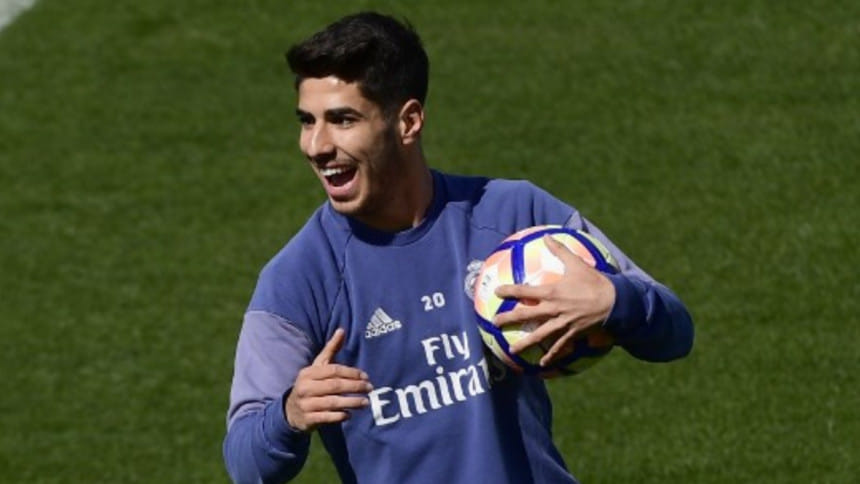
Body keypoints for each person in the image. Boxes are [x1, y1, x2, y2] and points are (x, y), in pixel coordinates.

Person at [223, 11, 693, 484]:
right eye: (307, 121)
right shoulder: (300, 277)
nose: (316, 145)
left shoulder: (516, 215)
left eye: (342, 120)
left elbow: (676, 333)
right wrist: (289, 414)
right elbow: (245, 463)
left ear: (408, 122)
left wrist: (615, 302)